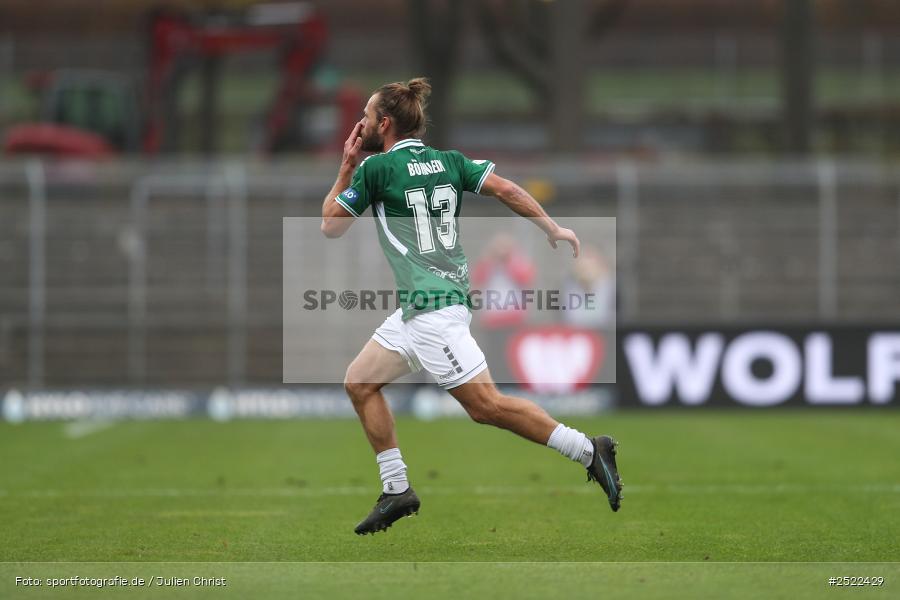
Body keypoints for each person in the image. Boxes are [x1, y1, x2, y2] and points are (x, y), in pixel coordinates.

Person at [320, 78, 623, 535]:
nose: (359, 124)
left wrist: (345, 169)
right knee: (360, 382)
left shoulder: (375, 169)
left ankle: (587, 449)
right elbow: (506, 189)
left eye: (365, 116)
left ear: (383, 124)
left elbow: (330, 225)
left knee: (486, 406)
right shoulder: (450, 161)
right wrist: (552, 228)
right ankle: (396, 489)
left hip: (433, 314)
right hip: (424, 308)